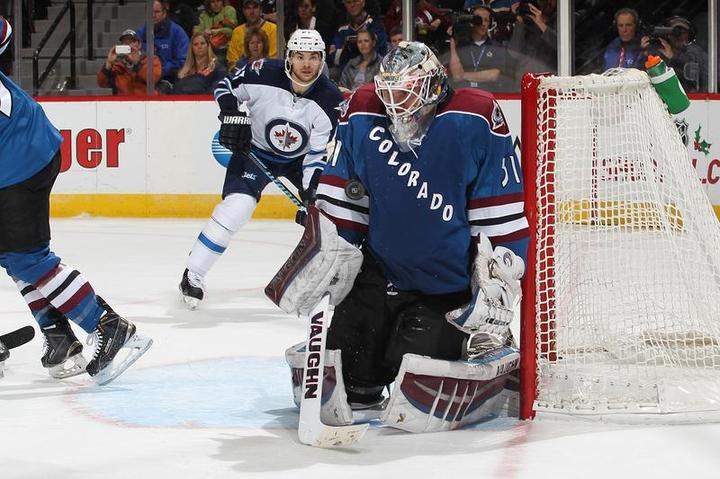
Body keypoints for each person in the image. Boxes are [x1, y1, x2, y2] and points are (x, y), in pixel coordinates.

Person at [267, 42, 528, 429]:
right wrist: (328, 248)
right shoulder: (363, 112)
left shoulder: (473, 118)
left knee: (415, 357)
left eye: (406, 95)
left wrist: (498, 274)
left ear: (434, 88)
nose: (397, 109)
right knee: (351, 371)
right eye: (389, 96)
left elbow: (499, 212)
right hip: (380, 272)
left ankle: (487, 340)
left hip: (445, 285)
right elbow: (344, 195)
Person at [0, 17, 152, 384]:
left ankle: (108, 327)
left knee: (24, 255)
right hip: (22, 146)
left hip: (21, 156)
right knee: (10, 251)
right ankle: (58, 336)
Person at [178, 29, 344, 309]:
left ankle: (334, 280)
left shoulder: (330, 99)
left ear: (322, 60)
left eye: (314, 58)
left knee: (329, 210)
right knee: (237, 208)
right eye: (300, 57)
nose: (307, 64)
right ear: (289, 57)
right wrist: (230, 111)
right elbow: (223, 86)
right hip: (254, 152)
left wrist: (310, 188)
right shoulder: (262, 72)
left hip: (299, 161)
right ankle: (193, 274)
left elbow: (316, 153)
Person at [448, 5, 514, 91]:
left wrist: (463, 75)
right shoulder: (461, 46)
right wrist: (453, 39)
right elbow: (456, 76)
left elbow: (493, 75)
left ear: (489, 24)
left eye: (486, 20)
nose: (483, 23)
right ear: (471, 22)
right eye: (478, 20)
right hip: (464, 94)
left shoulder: (497, 47)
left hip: (489, 94)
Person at [641, 15, 707, 93]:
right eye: (674, 32)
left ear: (689, 35)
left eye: (682, 32)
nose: (678, 36)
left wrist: (673, 57)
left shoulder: (695, 52)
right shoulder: (657, 53)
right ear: (667, 35)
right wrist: (643, 54)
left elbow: (697, 77)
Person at [137, 0, 190, 83]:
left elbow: (184, 60)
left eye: (157, 12)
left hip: (171, 80)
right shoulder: (140, 33)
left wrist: (160, 69)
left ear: (164, 12)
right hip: (144, 80)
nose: (153, 15)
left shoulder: (177, 32)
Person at [97, 29, 163, 95]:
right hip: (124, 103)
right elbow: (102, 83)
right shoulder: (117, 64)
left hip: (146, 102)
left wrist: (137, 64)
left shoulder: (151, 59)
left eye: (132, 42)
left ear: (139, 44)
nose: (129, 46)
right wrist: (108, 64)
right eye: (125, 43)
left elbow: (153, 79)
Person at [330, 0, 387, 72]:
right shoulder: (342, 30)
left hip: (373, 70)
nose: (352, 5)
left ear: (363, 2)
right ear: (344, 5)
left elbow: (381, 52)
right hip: (347, 71)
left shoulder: (375, 25)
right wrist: (346, 48)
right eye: (348, 2)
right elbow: (335, 59)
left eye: (355, 1)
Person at [226, 0, 277, 69]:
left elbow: (274, 59)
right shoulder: (237, 31)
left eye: (255, 7)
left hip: (266, 72)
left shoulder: (273, 29)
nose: (252, 12)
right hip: (241, 74)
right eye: (248, 8)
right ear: (243, 11)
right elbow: (232, 61)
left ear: (261, 10)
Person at [193, 0, 238, 66]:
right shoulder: (203, 15)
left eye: (218, 1)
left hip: (225, 48)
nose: (216, 4)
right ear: (209, 3)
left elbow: (232, 30)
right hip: (207, 48)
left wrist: (215, 31)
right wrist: (203, 33)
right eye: (213, 2)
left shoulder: (229, 10)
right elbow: (196, 31)